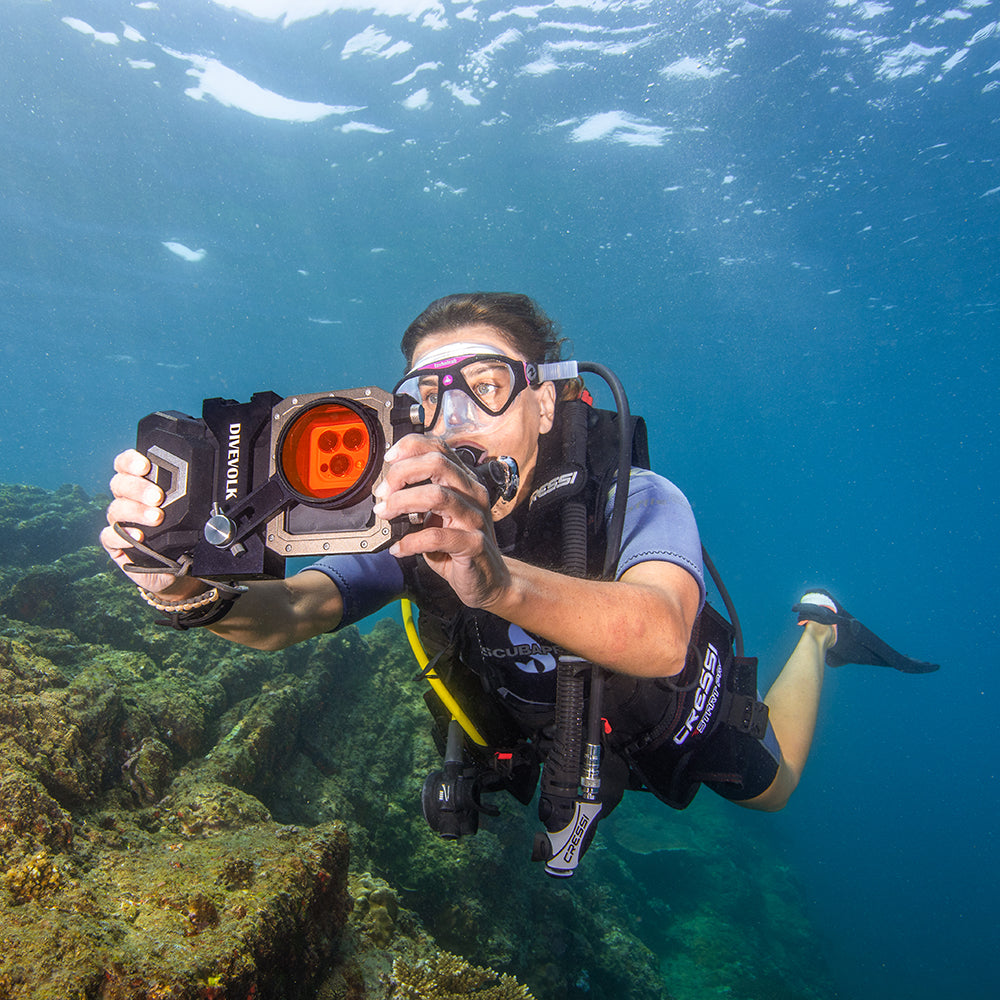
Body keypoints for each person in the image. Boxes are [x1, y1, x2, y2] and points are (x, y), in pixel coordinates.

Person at [101, 292, 936, 834]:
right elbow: (293, 616)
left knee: (777, 785)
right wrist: (184, 592)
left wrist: (496, 580)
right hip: (538, 733)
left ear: (546, 401)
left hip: (659, 710)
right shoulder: (407, 521)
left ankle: (822, 636)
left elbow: (659, 636)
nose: (452, 419)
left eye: (486, 385)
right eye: (425, 398)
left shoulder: (638, 498)